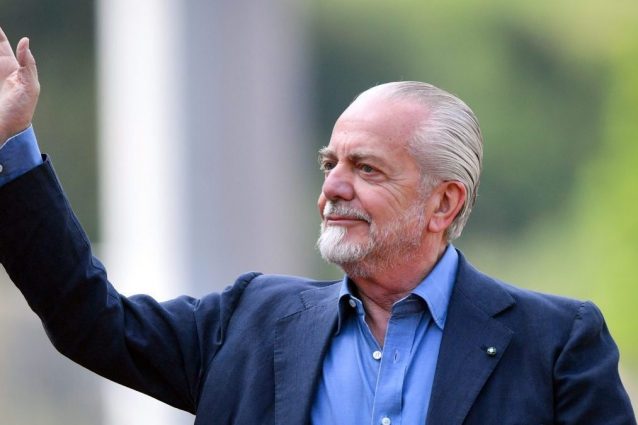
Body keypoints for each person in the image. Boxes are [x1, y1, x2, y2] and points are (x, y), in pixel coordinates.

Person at [0, 26, 635, 425]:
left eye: (366, 168)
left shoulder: (556, 344)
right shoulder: (249, 321)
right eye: (330, 164)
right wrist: (12, 142)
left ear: (443, 204)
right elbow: (90, 319)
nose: (333, 187)